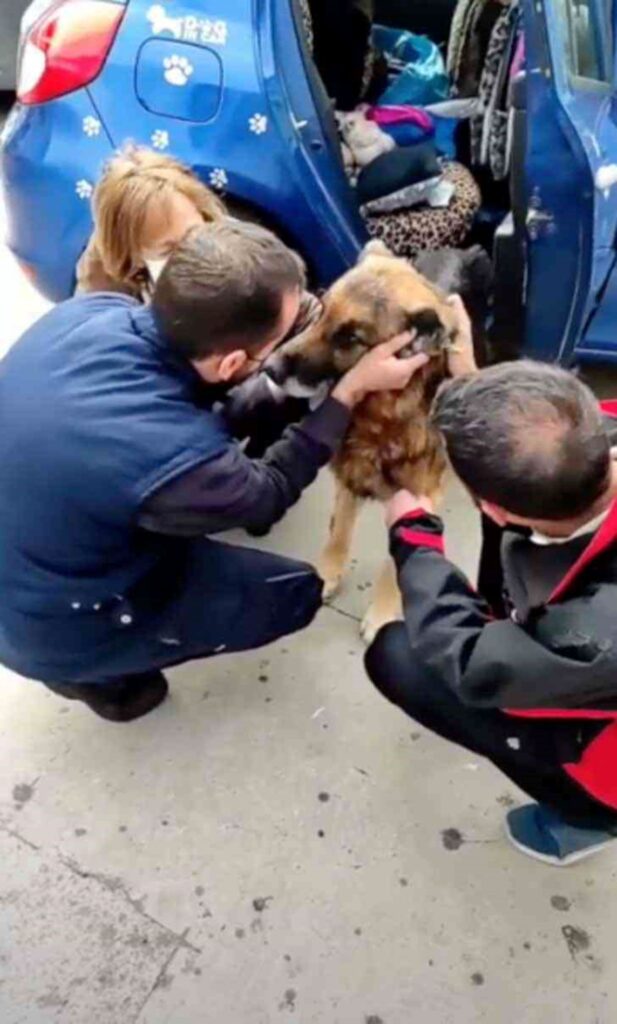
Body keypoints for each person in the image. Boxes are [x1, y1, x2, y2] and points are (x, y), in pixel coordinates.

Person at [0, 220, 429, 723]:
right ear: (230, 365)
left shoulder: (93, 309)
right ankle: (96, 675)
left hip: (38, 531)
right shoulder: (181, 466)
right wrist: (347, 394)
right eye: (282, 341)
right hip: (48, 625)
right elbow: (267, 492)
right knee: (293, 592)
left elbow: (181, 403)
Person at [365, 311, 617, 866]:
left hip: (607, 751)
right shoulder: (596, 434)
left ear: (496, 508)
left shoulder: (593, 635)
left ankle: (587, 820)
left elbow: (470, 662)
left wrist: (413, 537)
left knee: (397, 656)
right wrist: (475, 385)